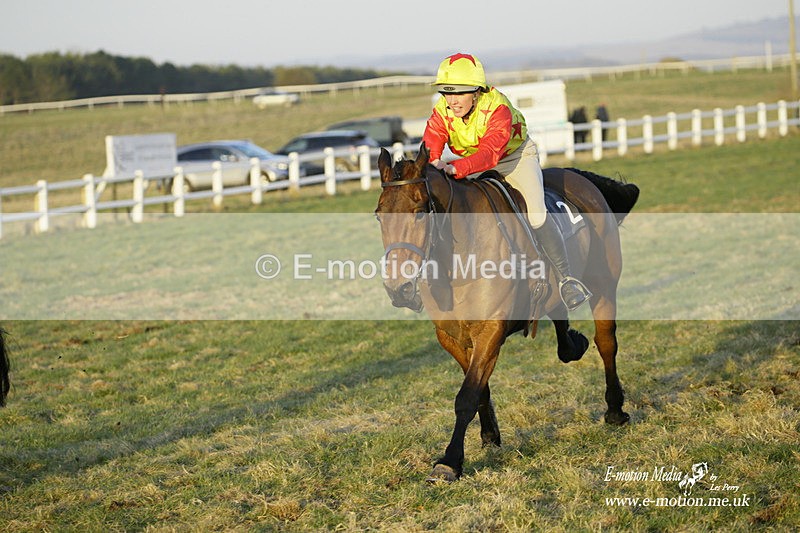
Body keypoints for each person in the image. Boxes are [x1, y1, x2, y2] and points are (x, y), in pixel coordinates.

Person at [422, 52, 591, 311]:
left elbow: (490, 154)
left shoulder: (498, 107)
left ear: (477, 91)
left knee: (536, 214)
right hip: (472, 162)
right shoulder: (442, 109)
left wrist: (454, 168)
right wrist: (433, 163)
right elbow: (433, 136)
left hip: (514, 158)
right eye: (446, 93)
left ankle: (567, 279)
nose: (452, 101)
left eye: (459, 93)